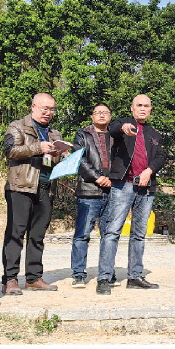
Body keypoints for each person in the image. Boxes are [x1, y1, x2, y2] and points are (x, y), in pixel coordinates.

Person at [95, 94, 166, 295]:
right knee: (112, 231)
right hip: (123, 185)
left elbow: (161, 156)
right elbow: (112, 129)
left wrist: (149, 170)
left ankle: (135, 276)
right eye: (139, 105)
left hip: (146, 187)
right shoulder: (122, 125)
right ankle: (104, 277)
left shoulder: (154, 134)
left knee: (139, 234)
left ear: (150, 109)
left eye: (146, 106)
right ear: (132, 108)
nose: (142, 108)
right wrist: (123, 128)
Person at [1, 93, 64, 295]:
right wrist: (38, 147)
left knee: (37, 236)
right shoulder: (18, 126)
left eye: (51, 109)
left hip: (45, 187)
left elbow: (53, 161)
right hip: (21, 186)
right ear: (33, 106)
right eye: (44, 108)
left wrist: (60, 155)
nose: (48, 112)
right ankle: (10, 279)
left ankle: (33, 278)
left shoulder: (54, 133)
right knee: (15, 234)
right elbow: (9, 151)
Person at [70, 103, 118, 288]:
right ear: (92, 116)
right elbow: (79, 159)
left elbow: (122, 161)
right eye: (98, 112)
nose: (101, 115)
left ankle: (107, 273)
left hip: (112, 191)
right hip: (89, 190)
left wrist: (114, 179)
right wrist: (97, 177)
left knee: (109, 235)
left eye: (105, 112)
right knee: (82, 234)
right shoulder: (83, 135)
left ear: (110, 116)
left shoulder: (116, 136)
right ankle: (78, 273)